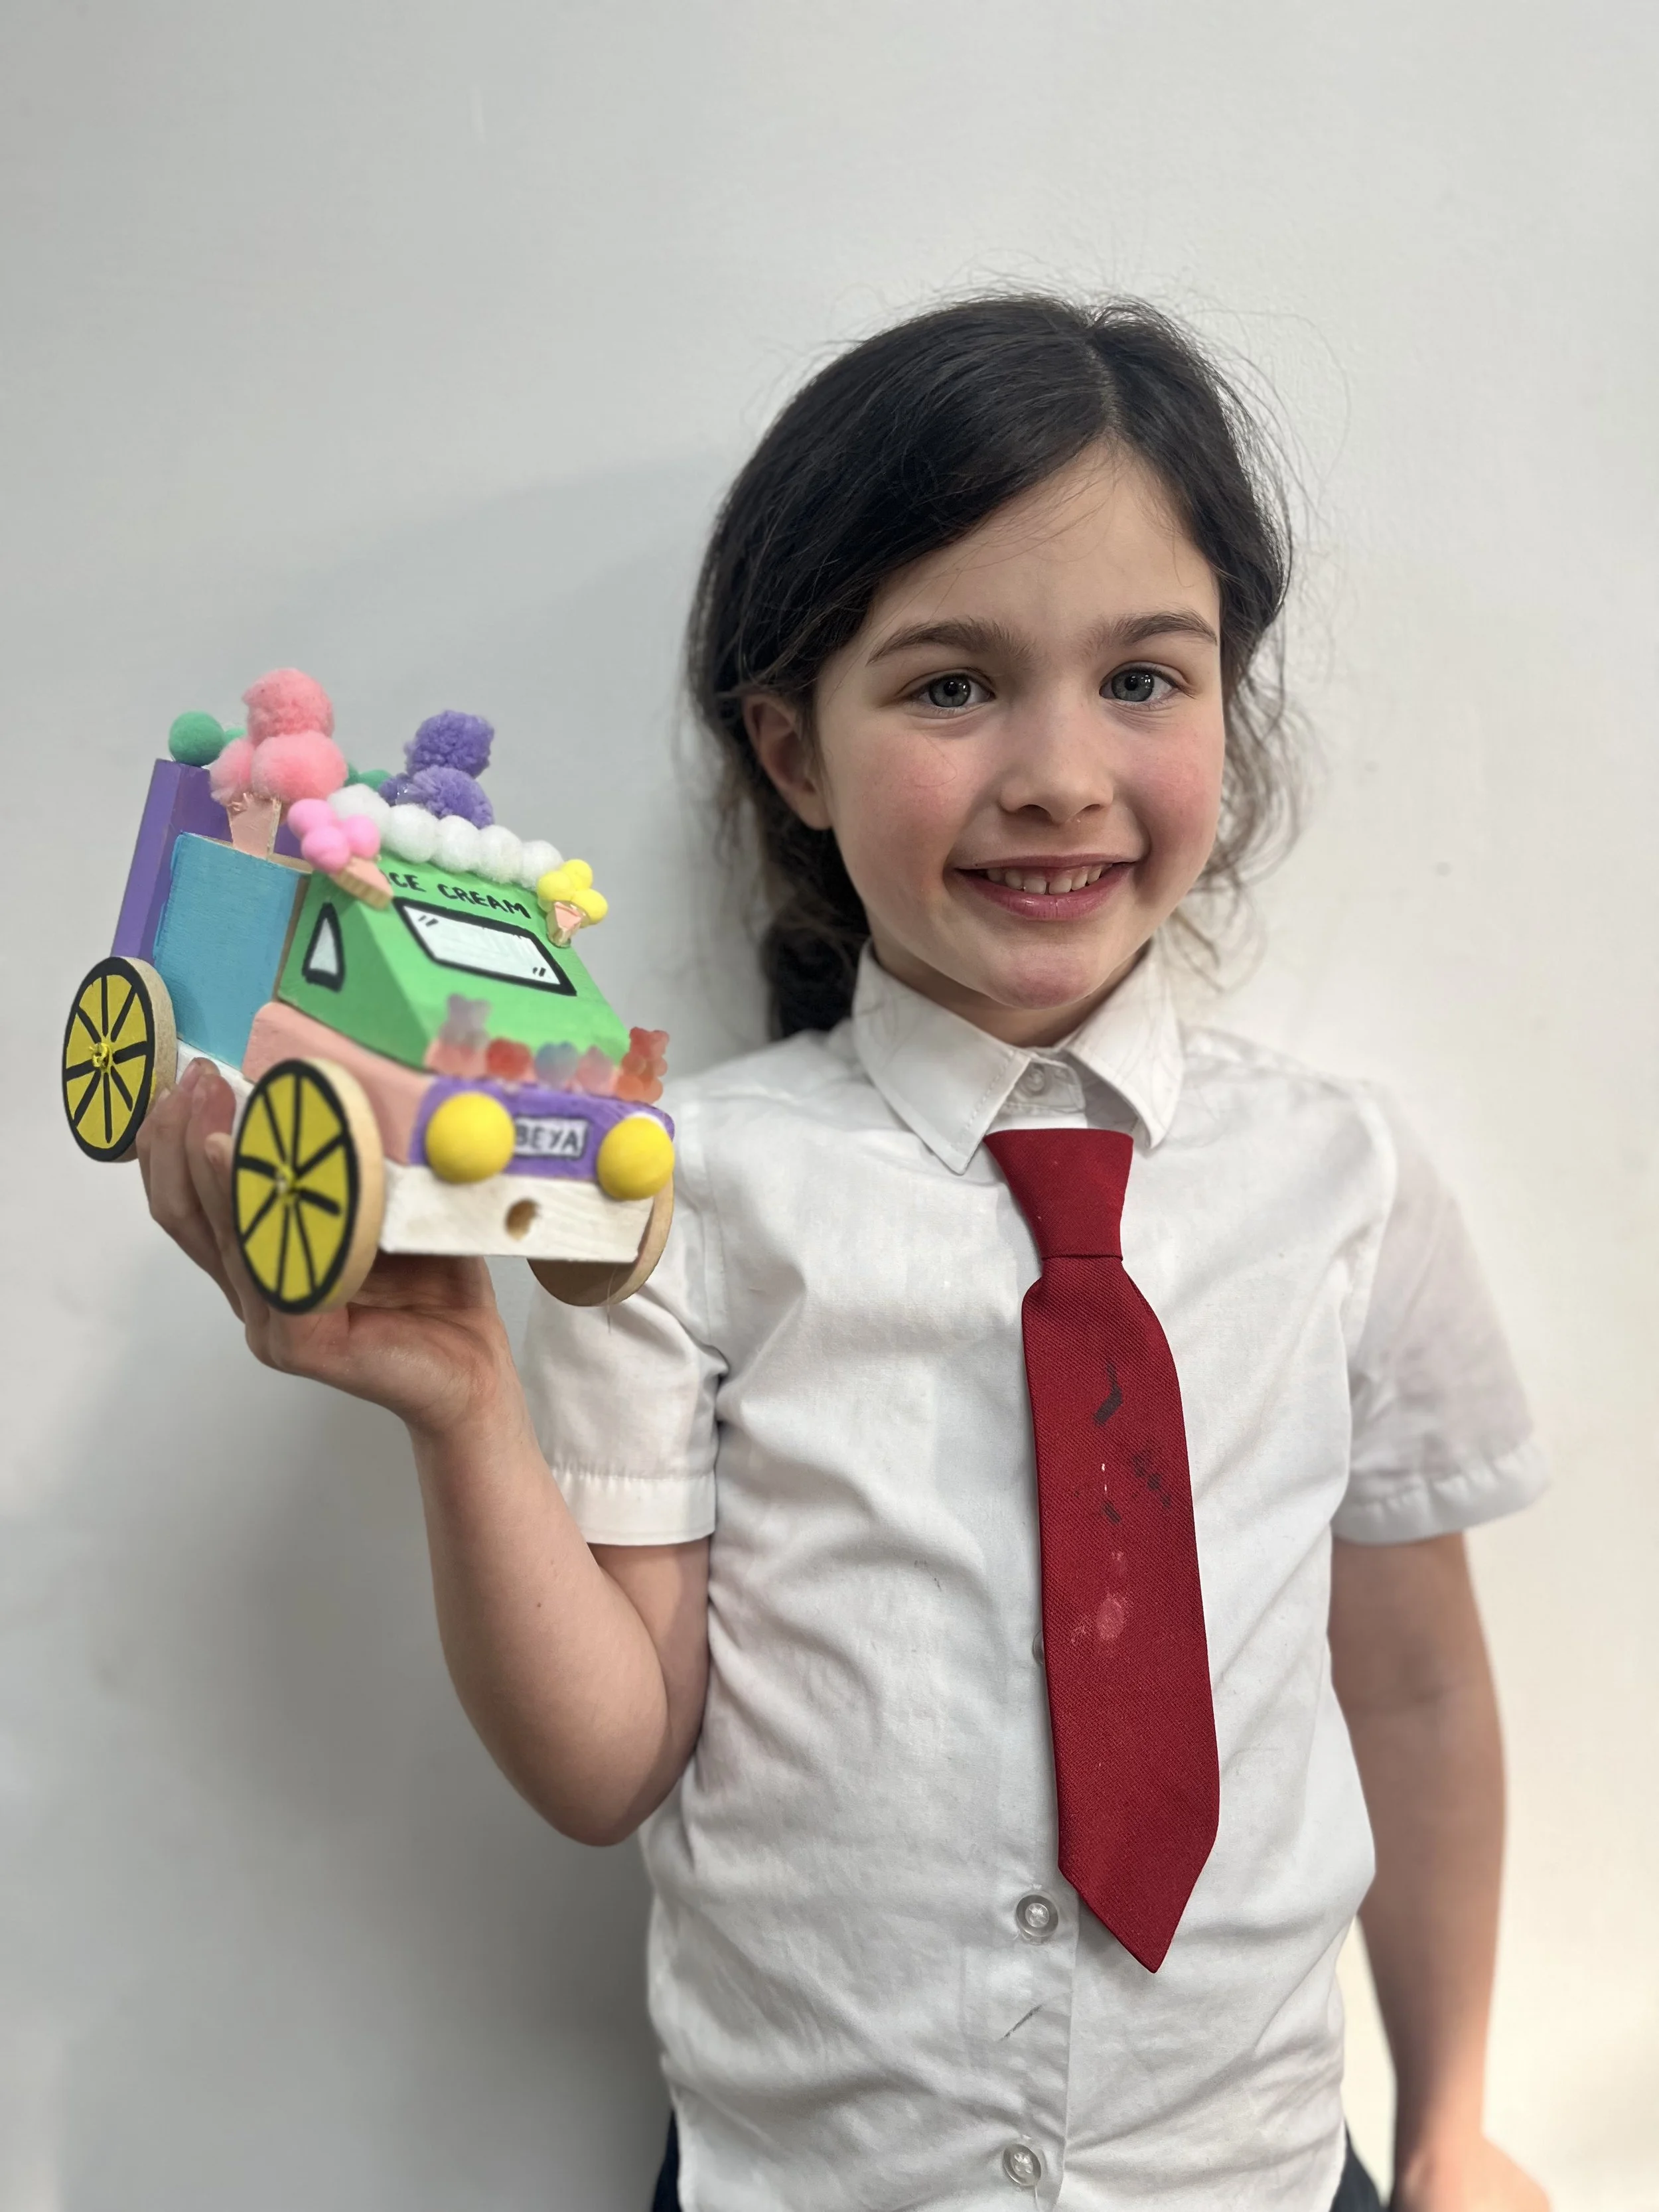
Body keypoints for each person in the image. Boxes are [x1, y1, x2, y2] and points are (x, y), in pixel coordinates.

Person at [141, 296, 1552, 2212]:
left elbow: (1413, 1692)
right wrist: (464, 1405)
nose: (1058, 771)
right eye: (952, 684)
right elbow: (608, 1752)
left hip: (1253, 2171)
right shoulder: (676, 1191)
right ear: (791, 749)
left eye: (1143, 676)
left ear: (1231, 698)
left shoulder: (1344, 1184)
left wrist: (1452, 2113)